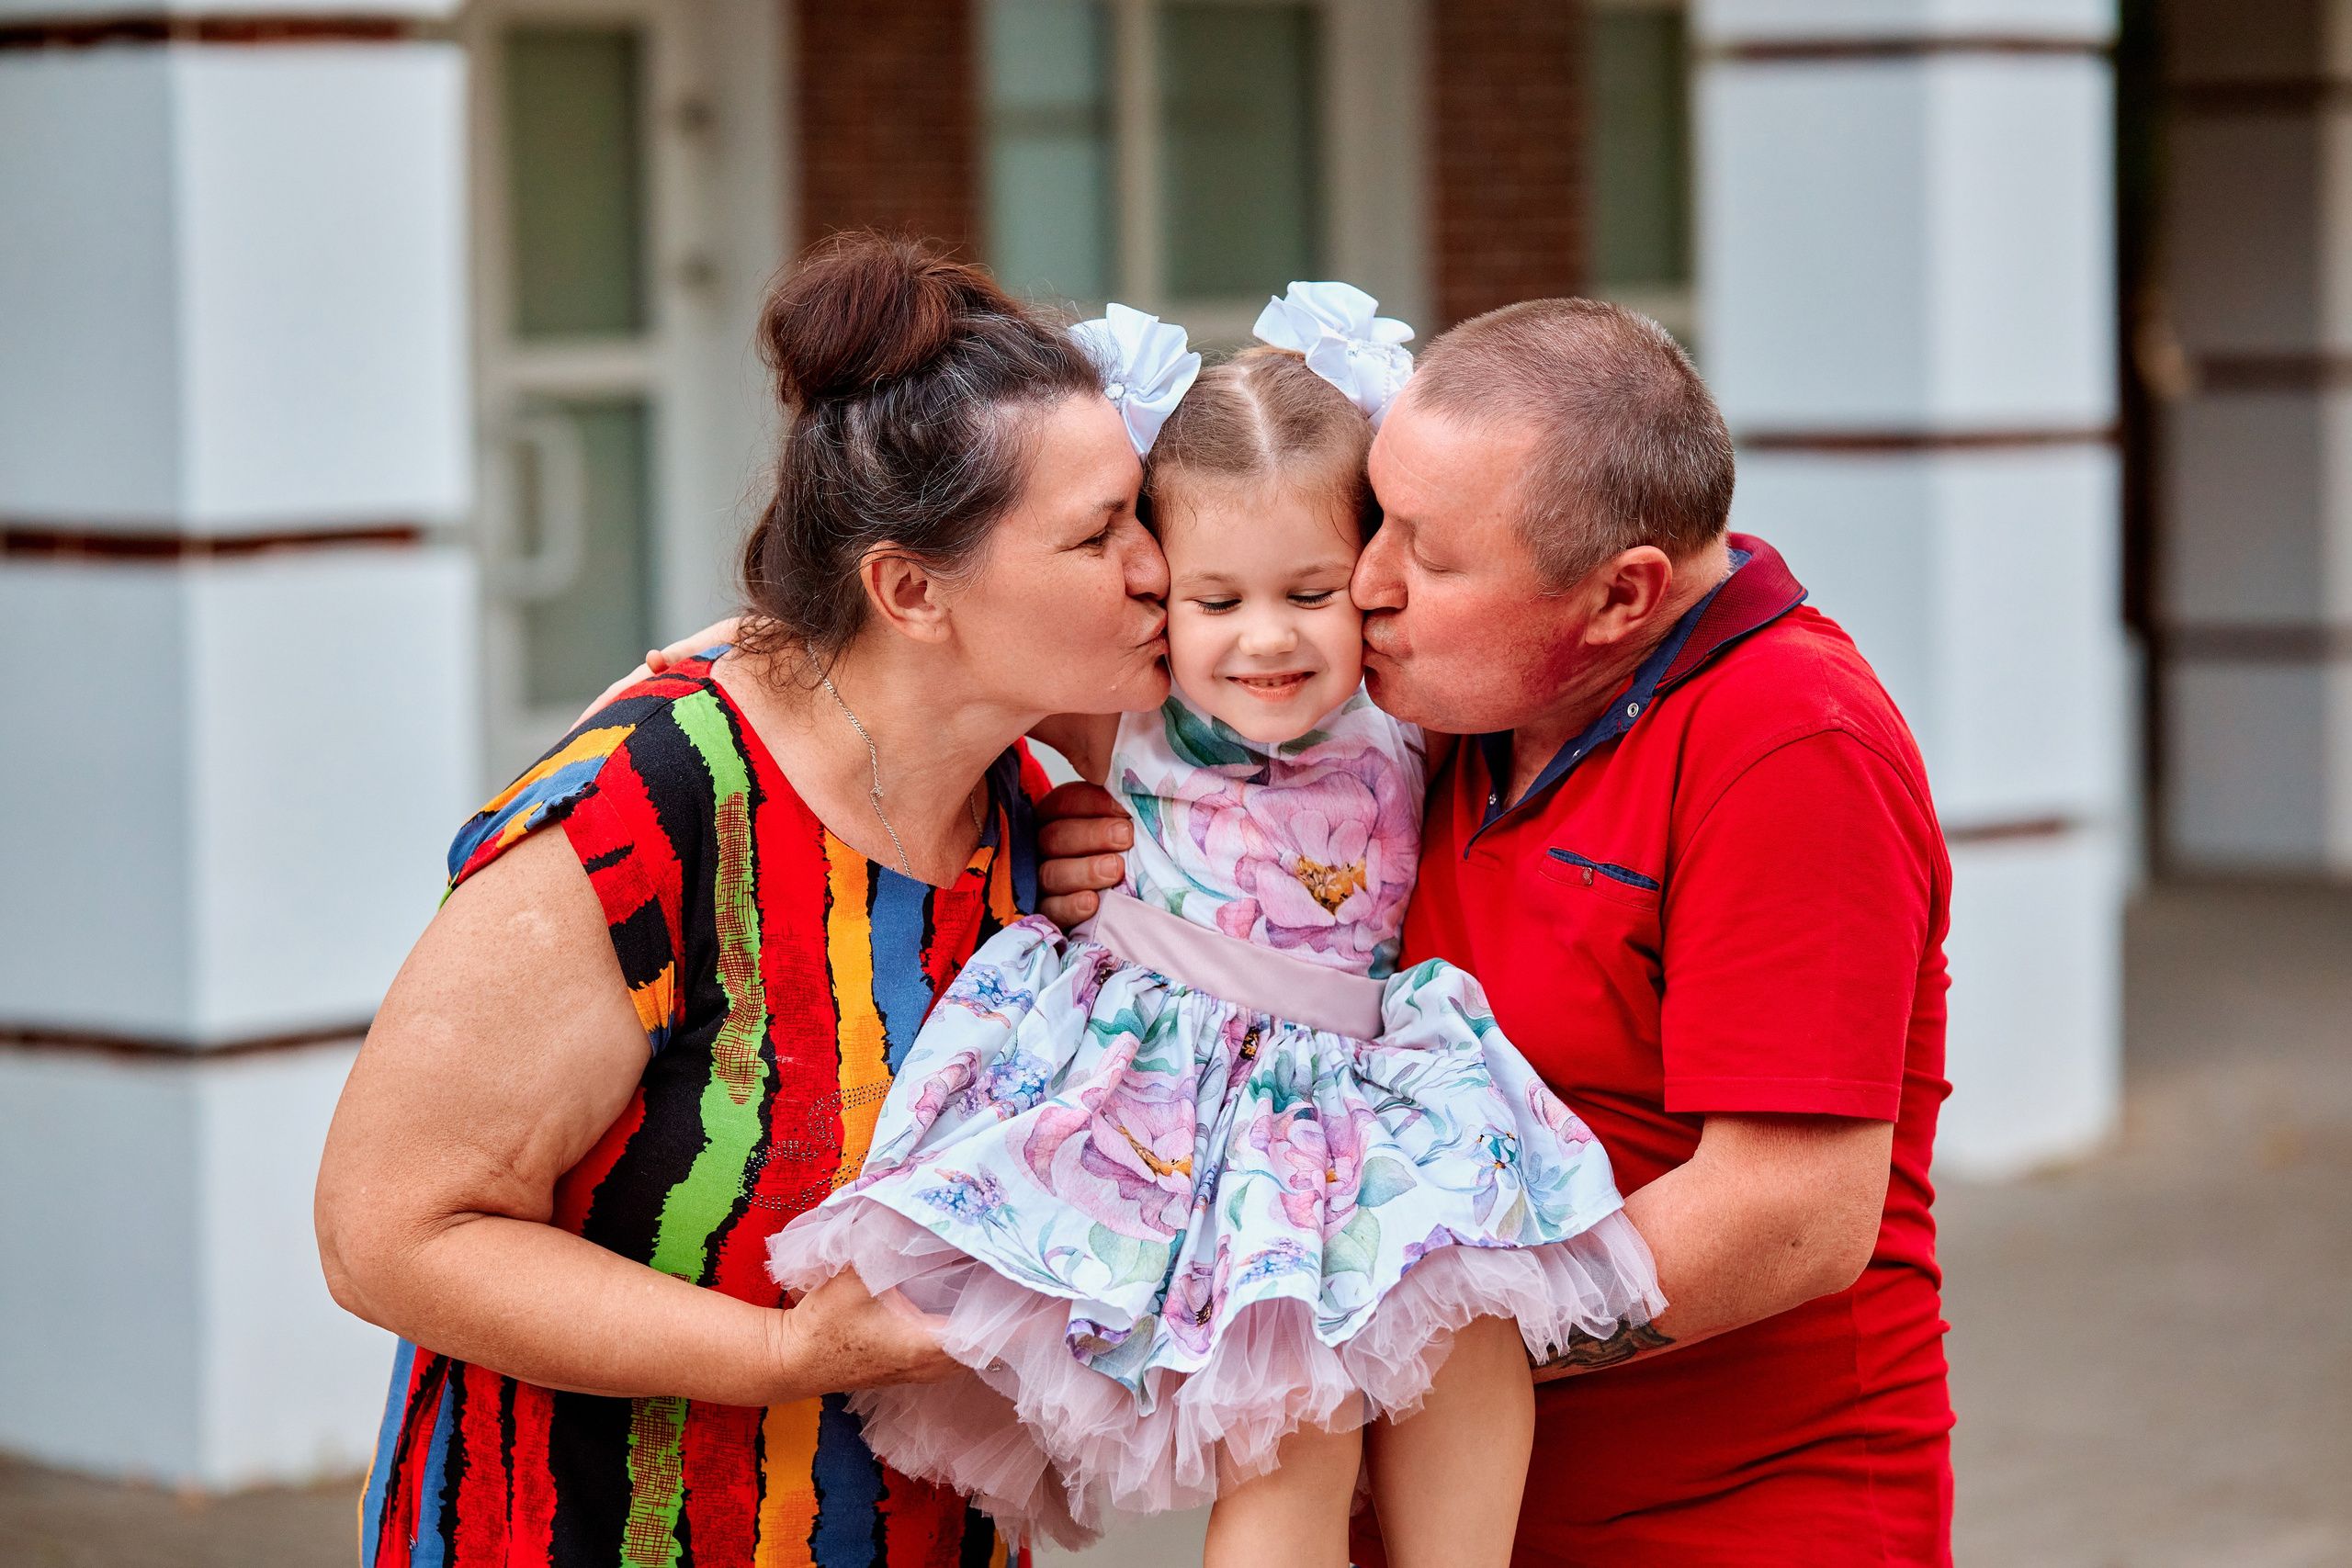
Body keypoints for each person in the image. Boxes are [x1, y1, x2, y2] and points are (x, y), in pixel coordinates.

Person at [1033, 299, 1957, 1564]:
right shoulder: (1453, 704)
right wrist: (1107, 864)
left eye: (1426, 552)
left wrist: (1367, 1323)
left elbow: (1790, 1214)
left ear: (1622, 595)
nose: (1367, 583)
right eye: (1378, 519)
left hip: (1722, 1523)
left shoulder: (1791, 745)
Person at [312, 232, 1171, 1568]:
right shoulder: (642, 813)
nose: (1157, 565)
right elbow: (388, 1235)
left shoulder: (1028, 807)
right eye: (1098, 534)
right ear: (908, 590)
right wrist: (783, 1354)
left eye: (1143, 513)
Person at [766, 287, 1661, 1568]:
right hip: (1175, 1103)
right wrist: (672, 681)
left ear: (1372, 581)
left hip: (1362, 1090)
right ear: (1158, 598)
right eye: (1217, 599)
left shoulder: (1410, 709)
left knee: (1472, 1338)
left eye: (1311, 591)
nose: (1266, 639)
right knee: (1297, 1438)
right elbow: (869, 651)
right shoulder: (1122, 704)